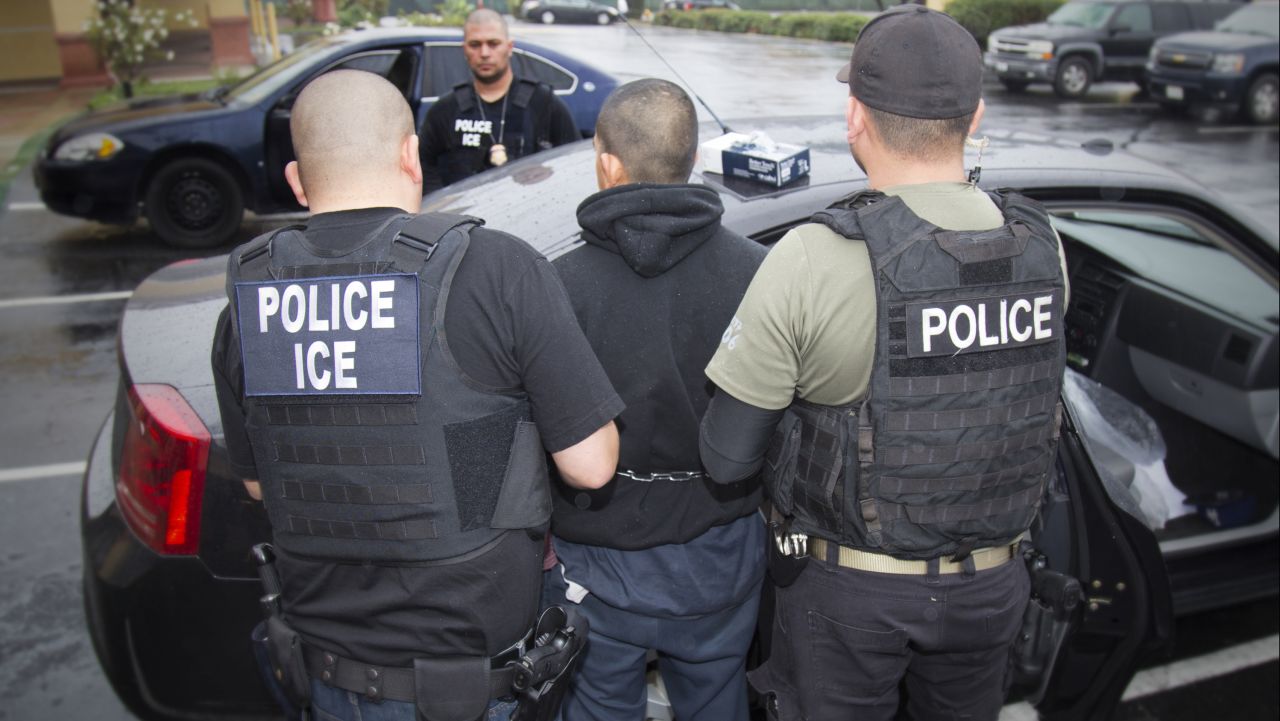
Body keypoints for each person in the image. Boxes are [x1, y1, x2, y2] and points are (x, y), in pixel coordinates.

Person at [211, 69, 623, 721]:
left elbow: (263, 487)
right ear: (411, 156)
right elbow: (591, 465)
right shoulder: (494, 268)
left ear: (296, 180)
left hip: (327, 676)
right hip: (467, 687)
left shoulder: (249, 303)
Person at [698, 6, 1070, 721]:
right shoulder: (1042, 248)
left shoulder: (814, 255)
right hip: (993, 587)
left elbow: (726, 456)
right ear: (976, 116)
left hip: (851, 599)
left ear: (854, 118)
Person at [542, 78, 768, 721]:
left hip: (595, 564)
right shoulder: (761, 273)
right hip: (721, 557)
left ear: (607, 164)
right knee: (717, 702)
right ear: (691, 159)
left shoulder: (557, 285)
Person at [420, 9, 580, 190]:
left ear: (509, 47)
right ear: (464, 50)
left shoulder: (544, 104)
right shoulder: (445, 110)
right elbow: (424, 169)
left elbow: (573, 164)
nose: (484, 53)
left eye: (493, 43)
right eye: (475, 45)